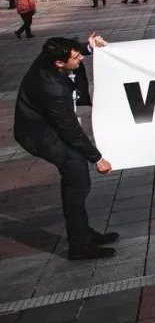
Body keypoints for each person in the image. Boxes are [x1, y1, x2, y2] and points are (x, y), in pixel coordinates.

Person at [14, 35, 119, 260]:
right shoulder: (52, 89)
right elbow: (71, 131)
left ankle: (82, 232)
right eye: (76, 57)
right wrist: (97, 158)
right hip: (39, 133)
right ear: (59, 64)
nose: (80, 57)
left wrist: (89, 46)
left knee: (78, 177)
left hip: (48, 124)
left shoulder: (50, 56)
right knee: (76, 175)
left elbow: (69, 50)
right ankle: (79, 245)